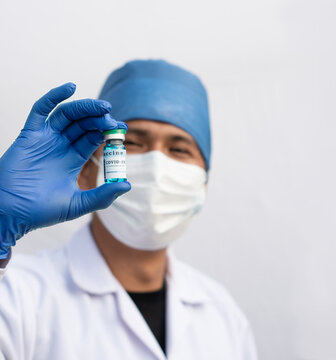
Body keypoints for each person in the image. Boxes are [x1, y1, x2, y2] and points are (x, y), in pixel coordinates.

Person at [0, 60, 257, 360]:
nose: (157, 167)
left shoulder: (222, 315)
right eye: (132, 142)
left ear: (202, 184)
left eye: (179, 149)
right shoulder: (18, 296)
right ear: (86, 169)